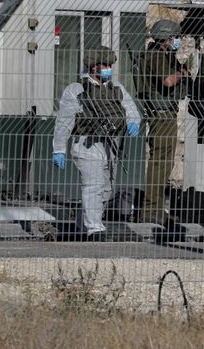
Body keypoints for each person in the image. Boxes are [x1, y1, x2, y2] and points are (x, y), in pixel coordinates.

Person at [52, 46, 141, 240]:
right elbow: (64, 122)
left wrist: (133, 122)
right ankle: (94, 228)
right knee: (93, 186)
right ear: (93, 67)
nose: (109, 69)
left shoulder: (116, 88)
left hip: (111, 146)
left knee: (107, 189)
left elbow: (130, 108)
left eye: (110, 65)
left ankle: (83, 224)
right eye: (105, 65)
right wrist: (59, 149)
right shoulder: (77, 90)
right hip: (87, 144)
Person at [140, 19, 189, 224]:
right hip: (161, 113)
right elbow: (167, 81)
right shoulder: (156, 55)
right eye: (174, 37)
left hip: (165, 112)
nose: (177, 41)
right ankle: (151, 208)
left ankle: (156, 208)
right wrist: (181, 72)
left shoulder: (161, 54)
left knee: (165, 162)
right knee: (160, 162)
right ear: (167, 38)